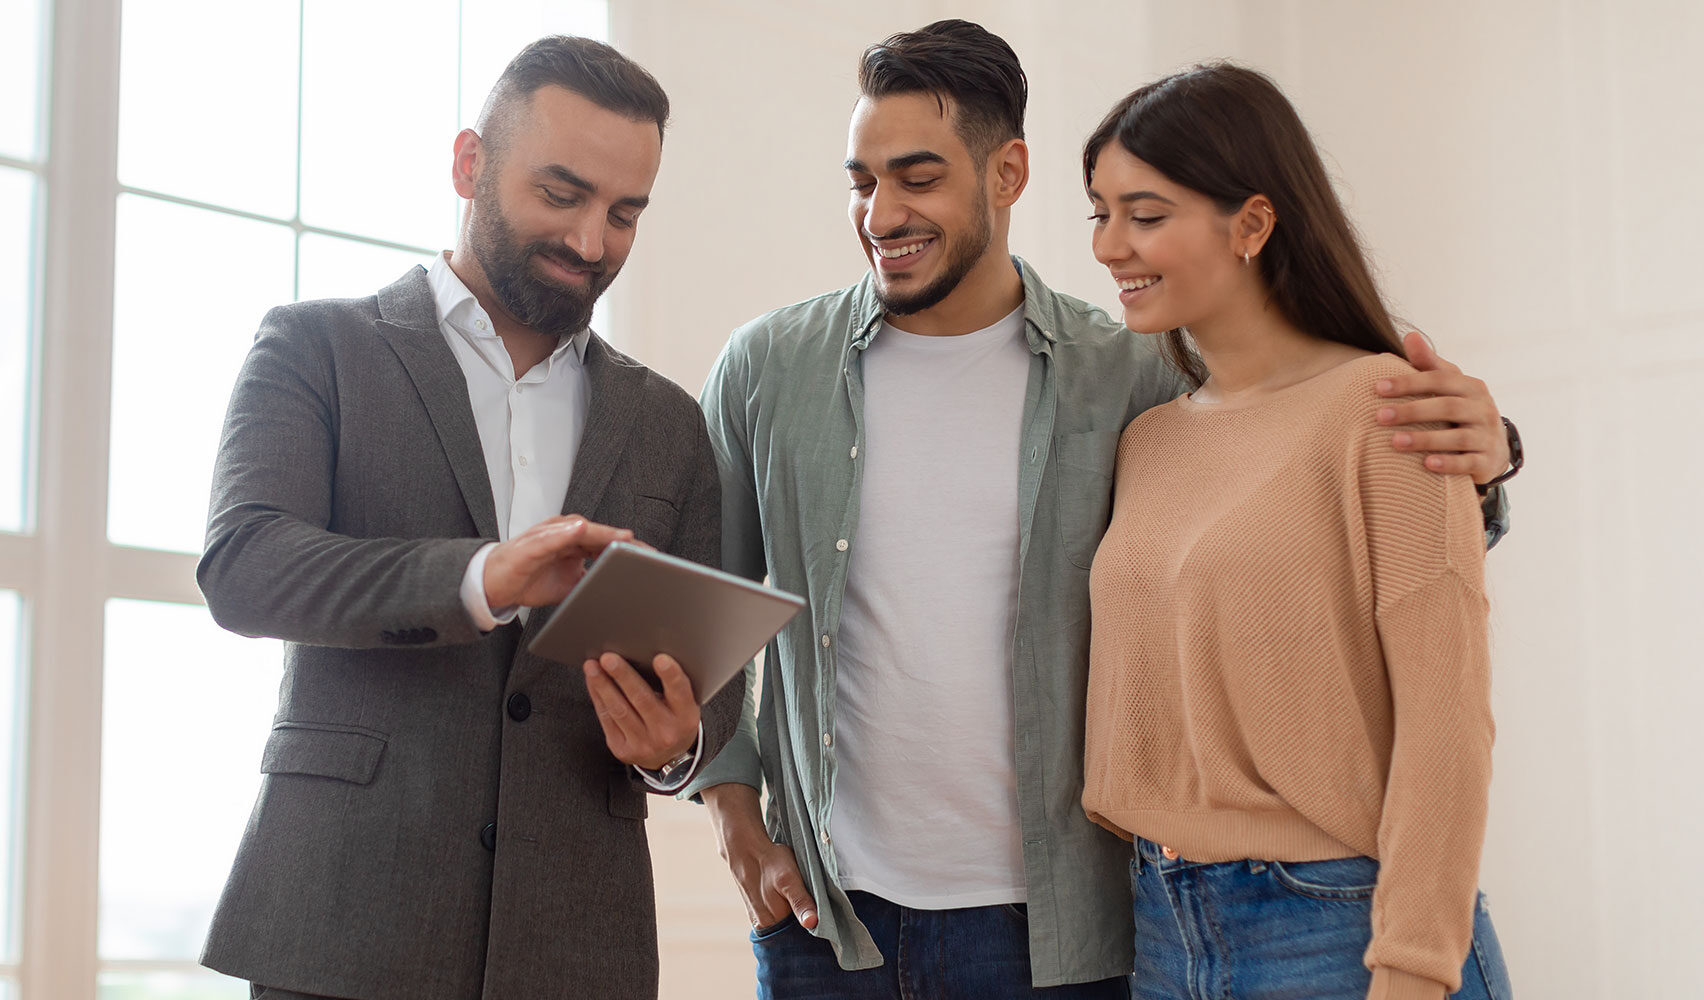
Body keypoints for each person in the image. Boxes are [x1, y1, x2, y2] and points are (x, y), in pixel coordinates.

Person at [689, 20, 1518, 999]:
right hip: (868, 925)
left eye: (916, 177)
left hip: (1083, 930)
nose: (879, 211)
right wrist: (735, 818)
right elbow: (706, 612)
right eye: (860, 180)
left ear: (1006, 174)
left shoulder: (1126, 379)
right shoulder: (769, 372)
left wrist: (1486, 457)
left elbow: (1312, 479)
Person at [193, 36, 743, 1000]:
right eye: (561, 195)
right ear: (468, 163)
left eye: (624, 214)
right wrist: (481, 577)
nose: (589, 243)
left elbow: (708, 694)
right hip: (343, 921)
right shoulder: (316, 348)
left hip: (579, 941)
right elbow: (245, 565)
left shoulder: (667, 424)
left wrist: (674, 751)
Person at [1080, 64, 1511, 1000]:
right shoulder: (1147, 440)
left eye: (1145, 214)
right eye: (1099, 213)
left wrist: (1412, 969)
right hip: (1164, 931)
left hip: (1340, 926)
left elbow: (1447, 725)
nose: (1112, 245)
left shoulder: (1385, 408)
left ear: (1253, 225)